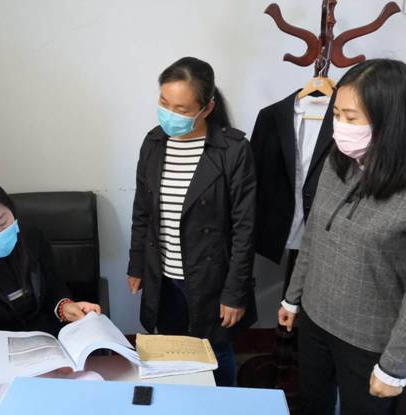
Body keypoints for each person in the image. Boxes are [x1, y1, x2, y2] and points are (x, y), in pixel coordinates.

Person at [278, 59, 406, 414]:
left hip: (370, 340)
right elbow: (314, 236)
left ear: (390, 121)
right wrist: (292, 298)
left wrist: (395, 366)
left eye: (351, 117)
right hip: (315, 321)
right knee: (311, 404)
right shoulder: (337, 162)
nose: (340, 127)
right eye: (337, 115)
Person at [127, 57, 257, 386]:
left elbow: (245, 229)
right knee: (172, 350)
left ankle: (223, 404)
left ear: (207, 108)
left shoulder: (232, 149)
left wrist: (234, 293)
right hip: (163, 276)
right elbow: (142, 210)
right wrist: (136, 265)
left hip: (212, 279)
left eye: (181, 109)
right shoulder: (153, 143)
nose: (169, 114)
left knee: (216, 351)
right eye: (164, 103)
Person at [0, 173, 101, 370]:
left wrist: (64, 307)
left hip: (53, 347)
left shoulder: (32, 238)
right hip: (1, 360)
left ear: (11, 208)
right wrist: (30, 355)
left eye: (2, 222)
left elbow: (53, 288)